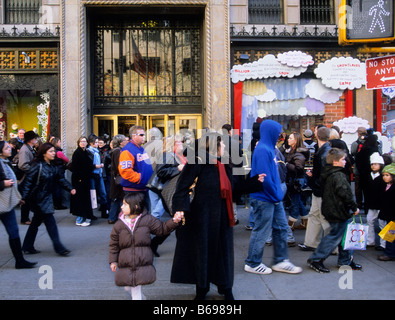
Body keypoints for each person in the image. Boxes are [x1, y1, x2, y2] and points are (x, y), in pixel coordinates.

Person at [171, 132, 237, 300]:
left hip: (223, 218)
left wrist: (256, 183)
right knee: (203, 254)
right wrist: (180, 209)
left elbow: (234, 188)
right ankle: (202, 288)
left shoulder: (224, 163)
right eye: (222, 144)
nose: (224, 148)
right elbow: (181, 187)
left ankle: (225, 287)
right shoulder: (197, 162)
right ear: (213, 146)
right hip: (202, 218)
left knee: (223, 255)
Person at [244, 120, 302, 276]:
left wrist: (276, 194)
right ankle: (253, 262)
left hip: (271, 196)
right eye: (278, 132)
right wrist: (276, 194)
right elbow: (265, 177)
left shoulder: (267, 148)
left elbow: (271, 175)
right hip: (265, 197)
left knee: (281, 228)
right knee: (262, 230)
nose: (280, 135)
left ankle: (280, 260)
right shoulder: (264, 149)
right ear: (271, 131)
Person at [109, 192, 184, 300]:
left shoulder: (147, 220)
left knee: (135, 288)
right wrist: (113, 260)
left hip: (142, 261)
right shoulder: (119, 225)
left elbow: (162, 229)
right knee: (128, 287)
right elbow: (113, 244)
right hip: (125, 262)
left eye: (125, 204)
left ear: (135, 206)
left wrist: (174, 221)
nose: (121, 206)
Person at [307, 148, 362, 273]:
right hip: (339, 210)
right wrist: (354, 207)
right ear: (336, 162)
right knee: (335, 236)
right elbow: (345, 193)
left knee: (343, 236)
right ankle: (317, 259)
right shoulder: (339, 175)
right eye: (343, 160)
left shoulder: (328, 173)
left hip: (332, 208)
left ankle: (345, 260)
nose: (345, 162)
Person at [19, 143, 76, 256]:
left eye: (54, 151)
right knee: (50, 222)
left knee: (35, 222)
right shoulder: (37, 165)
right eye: (51, 151)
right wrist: (23, 197)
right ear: (44, 153)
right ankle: (59, 247)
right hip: (38, 198)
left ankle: (27, 246)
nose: (53, 153)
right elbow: (28, 182)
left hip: (46, 197)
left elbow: (60, 179)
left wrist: (70, 188)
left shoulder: (53, 166)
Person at [0, 141, 37, 269]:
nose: (10, 149)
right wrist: (2, 184)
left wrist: (17, 198)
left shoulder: (6, 163)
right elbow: (6, 183)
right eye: (6, 148)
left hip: (7, 204)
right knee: (13, 231)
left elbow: (12, 183)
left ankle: (19, 260)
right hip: (2, 202)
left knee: (14, 231)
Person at [150, 134, 187, 257]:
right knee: (176, 220)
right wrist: (179, 169)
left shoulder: (180, 156)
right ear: (173, 144)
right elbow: (161, 171)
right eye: (180, 142)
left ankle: (154, 242)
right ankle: (153, 242)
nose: (182, 144)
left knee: (176, 220)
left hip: (176, 192)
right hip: (169, 192)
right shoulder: (167, 155)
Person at [299, 126, 331, 251]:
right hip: (319, 189)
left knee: (323, 217)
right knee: (314, 215)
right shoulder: (324, 150)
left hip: (320, 189)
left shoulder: (324, 152)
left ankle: (331, 246)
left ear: (317, 135)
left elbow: (324, 174)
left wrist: (313, 177)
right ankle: (311, 242)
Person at [118, 125, 153, 209]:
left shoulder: (141, 148)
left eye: (144, 134)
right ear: (134, 136)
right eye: (141, 135)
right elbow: (125, 171)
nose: (144, 137)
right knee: (135, 216)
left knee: (143, 216)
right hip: (134, 190)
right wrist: (140, 178)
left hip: (143, 188)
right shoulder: (128, 150)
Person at [283, 132, 309, 230]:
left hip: (297, 180)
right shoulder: (292, 151)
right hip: (294, 179)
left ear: (296, 140)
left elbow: (299, 168)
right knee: (297, 201)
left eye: (290, 138)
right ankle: (304, 221)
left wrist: (287, 165)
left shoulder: (298, 153)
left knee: (294, 201)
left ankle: (291, 224)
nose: (288, 139)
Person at [70, 136, 96, 226]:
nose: (83, 143)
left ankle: (86, 216)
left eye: (85, 141)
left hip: (86, 179)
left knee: (85, 198)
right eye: (81, 141)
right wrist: (79, 179)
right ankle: (80, 217)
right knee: (80, 198)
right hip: (79, 180)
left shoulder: (86, 152)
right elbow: (76, 168)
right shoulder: (77, 153)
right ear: (78, 142)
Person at [17, 130, 39, 225]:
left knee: (29, 198)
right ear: (30, 140)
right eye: (35, 138)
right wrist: (33, 171)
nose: (36, 140)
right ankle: (24, 218)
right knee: (26, 199)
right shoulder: (25, 150)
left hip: (29, 177)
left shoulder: (29, 148)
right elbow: (22, 165)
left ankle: (33, 216)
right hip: (26, 178)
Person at [365, 152, 386, 250]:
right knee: (369, 221)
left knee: (382, 224)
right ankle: (370, 241)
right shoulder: (369, 175)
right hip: (372, 202)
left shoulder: (383, 176)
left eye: (376, 164)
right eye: (372, 164)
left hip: (381, 203)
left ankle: (383, 244)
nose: (373, 166)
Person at [87, 134, 108, 218]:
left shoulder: (96, 151)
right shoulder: (89, 151)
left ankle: (104, 212)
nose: (97, 144)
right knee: (92, 194)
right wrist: (96, 166)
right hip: (92, 174)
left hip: (99, 174)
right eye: (96, 142)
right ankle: (91, 213)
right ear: (91, 143)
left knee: (103, 193)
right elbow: (88, 164)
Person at [377, 163, 395, 261]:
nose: (384, 177)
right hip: (389, 214)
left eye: (387, 175)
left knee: (390, 235)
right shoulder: (387, 186)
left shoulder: (392, 188)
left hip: (392, 215)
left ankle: (390, 253)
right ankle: (389, 252)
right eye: (383, 175)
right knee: (390, 234)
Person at [108, 134, 127, 224]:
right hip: (118, 179)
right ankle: (113, 217)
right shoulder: (118, 152)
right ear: (120, 143)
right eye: (124, 140)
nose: (126, 141)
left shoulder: (117, 151)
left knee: (118, 199)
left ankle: (114, 217)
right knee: (118, 199)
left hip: (117, 179)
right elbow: (118, 166)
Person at [49, 137, 69, 210]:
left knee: (55, 188)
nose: (60, 143)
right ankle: (58, 204)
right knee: (58, 188)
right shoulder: (59, 152)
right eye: (60, 142)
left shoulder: (52, 152)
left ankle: (55, 204)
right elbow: (67, 160)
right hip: (59, 171)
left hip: (53, 171)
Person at [350, 127, 368, 209]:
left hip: (358, 168)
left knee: (358, 187)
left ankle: (359, 204)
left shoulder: (355, 143)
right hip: (368, 168)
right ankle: (367, 204)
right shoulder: (370, 143)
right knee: (367, 187)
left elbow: (353, 153)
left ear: (358, 133)